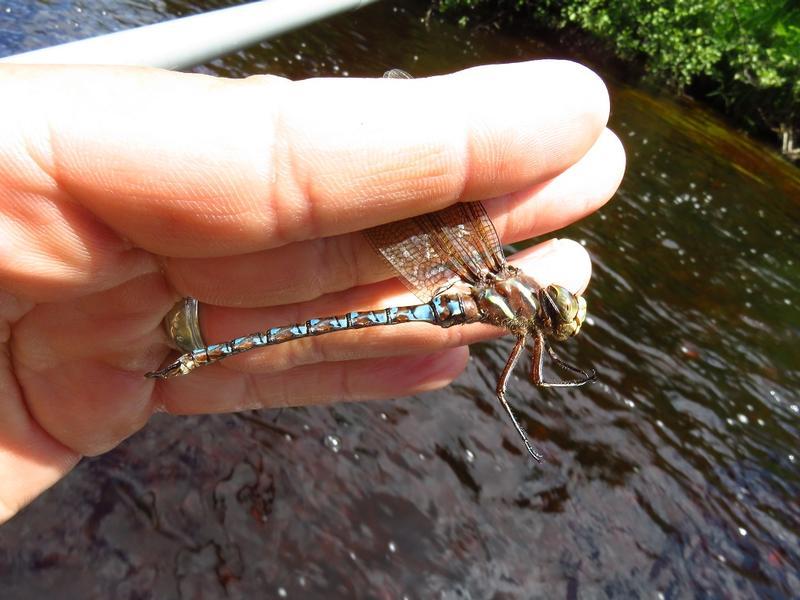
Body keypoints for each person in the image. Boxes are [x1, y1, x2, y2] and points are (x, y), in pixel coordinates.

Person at [0, 60, 625, 523]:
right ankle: (198, 352)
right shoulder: (509, 298)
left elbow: (531, 370)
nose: (558, 310)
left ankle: (195, 351)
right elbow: (517, 381)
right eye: (558, 310)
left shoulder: (504, 286)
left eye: (558, 310)